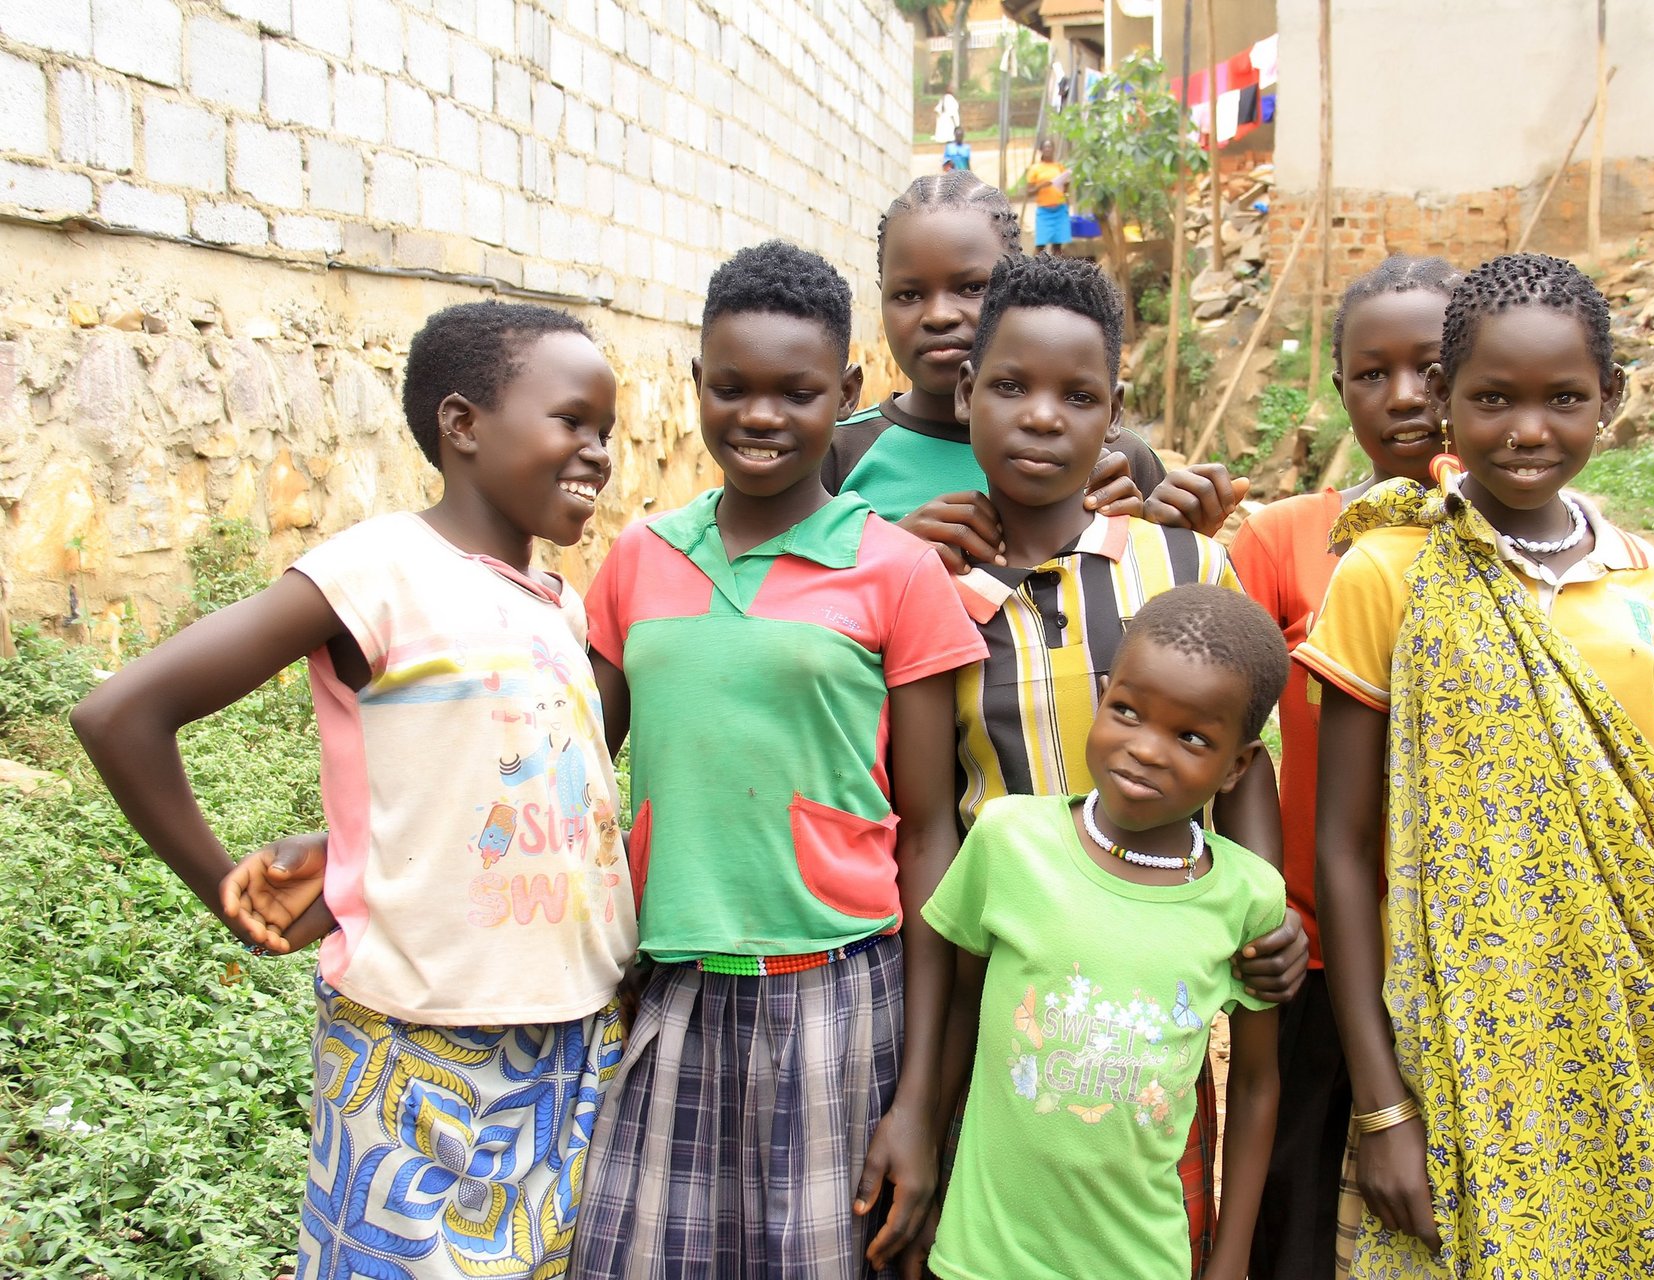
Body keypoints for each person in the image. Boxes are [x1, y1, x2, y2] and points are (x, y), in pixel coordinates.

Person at [71, 302, 634, 1279]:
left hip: (574, 1025)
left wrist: (353, 849)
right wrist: (226, 885)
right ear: (463, 424)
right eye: (571, 421)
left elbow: (495, 782)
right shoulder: (377, 571)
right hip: (419, 1039)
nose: (596, 452)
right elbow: (122, 713)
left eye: (607, 432)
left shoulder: (557, 602)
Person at [1298, 253, 1654, 1279]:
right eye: (1493, 397)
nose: (1528, 429)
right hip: (1452, 1026)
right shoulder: (1387, 570)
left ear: (1612, 401)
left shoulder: (1648, 582)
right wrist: (1383, 1101)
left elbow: (1620, 807)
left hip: (1620, 1015)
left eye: (1564, 398)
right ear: (1446, 401)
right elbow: (1347, 848)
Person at [569, 240, 989, 1280]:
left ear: (845, 392)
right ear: (696, 382)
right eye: (732, 387)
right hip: (669, 988)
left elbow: (931, 828)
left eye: (796, 392)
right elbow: (561, 771)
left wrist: (921, 1095)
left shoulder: (895, 571)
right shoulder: (641, 558)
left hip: (837, 999)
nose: (759, 416)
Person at [927, 252, 1296, 1276]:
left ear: (1114, 411)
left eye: (1077, 396)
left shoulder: (1181, 564)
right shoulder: (933, 582)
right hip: (1003, 994)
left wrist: (1267, 914)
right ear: (965, 393)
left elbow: (1246, 758)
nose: (1042, 417)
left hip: (1145, 1000)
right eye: (1011, 386)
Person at [924, 584, 1290, 1280]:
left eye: (1191, 738)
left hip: (1139, 1259)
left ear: (1237, 766)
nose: (1146, 750)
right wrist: (924, 1154)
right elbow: (958, 1012)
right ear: (1101, 701)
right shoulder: (1009, 842)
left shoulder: (1248, 897)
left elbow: (1255, 1086)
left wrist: (1233, 1252)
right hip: (980, 1256)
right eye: (1126, 711)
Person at [1229, 255, 1460, 1279]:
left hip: (1467, 954)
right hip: (1315, 954)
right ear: (1341, 388)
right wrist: (1254, 897)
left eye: (1434, 365)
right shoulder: (1284, 540)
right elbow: (1220, 730)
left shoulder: (1518, 541)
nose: (1405, 394)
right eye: (1373, 372)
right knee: (1295, 1218)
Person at [822, 170, 1164, 547]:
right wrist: (888, 554)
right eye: (908, 294)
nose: (939, 315)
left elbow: (1164, 574)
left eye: (972, 287)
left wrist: (1153, 526)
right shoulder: (837, 453)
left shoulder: (1118, 460)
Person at [1024, 138, 1071, 255]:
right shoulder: (1035, 168)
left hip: (1060, 210)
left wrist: (1064, 186)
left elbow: (1065, 187)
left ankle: (1057, 271)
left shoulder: (1059, 167)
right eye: (1045, 147)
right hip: (1044, 212)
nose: (1048, 149)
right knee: (1040, 245)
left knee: (1058, 246)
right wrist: (1041, 186)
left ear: (1053, 149)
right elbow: (1029, 191)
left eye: (1050, 147)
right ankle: (1033, 270)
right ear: (1041, 150)